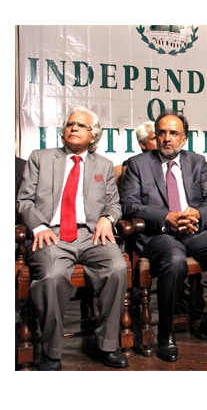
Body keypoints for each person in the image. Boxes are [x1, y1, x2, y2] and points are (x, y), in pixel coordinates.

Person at [121, 110, 207, 362]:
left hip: (193, 231)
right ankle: (165, 334)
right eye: (162, 133)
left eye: (173, 133)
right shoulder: (138, 164)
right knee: (175, 260)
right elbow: (130, 205)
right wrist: (166, 217)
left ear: (184, 139)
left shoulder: (196, 162)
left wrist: (196, 213)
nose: (167, 138)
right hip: (159, 234)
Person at [16, 106, 129, 370]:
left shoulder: (102, 165)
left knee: (117, 268)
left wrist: (107, 219)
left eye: (81, 125)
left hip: (91, 235)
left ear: (93, 136)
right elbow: (23, 201)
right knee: (53, 276)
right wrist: (39, 227)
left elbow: (114, 204)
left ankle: (107, 345)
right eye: (70, 124)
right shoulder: (41, 158)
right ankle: (52, 351)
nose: (74, 128)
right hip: (51, 234)